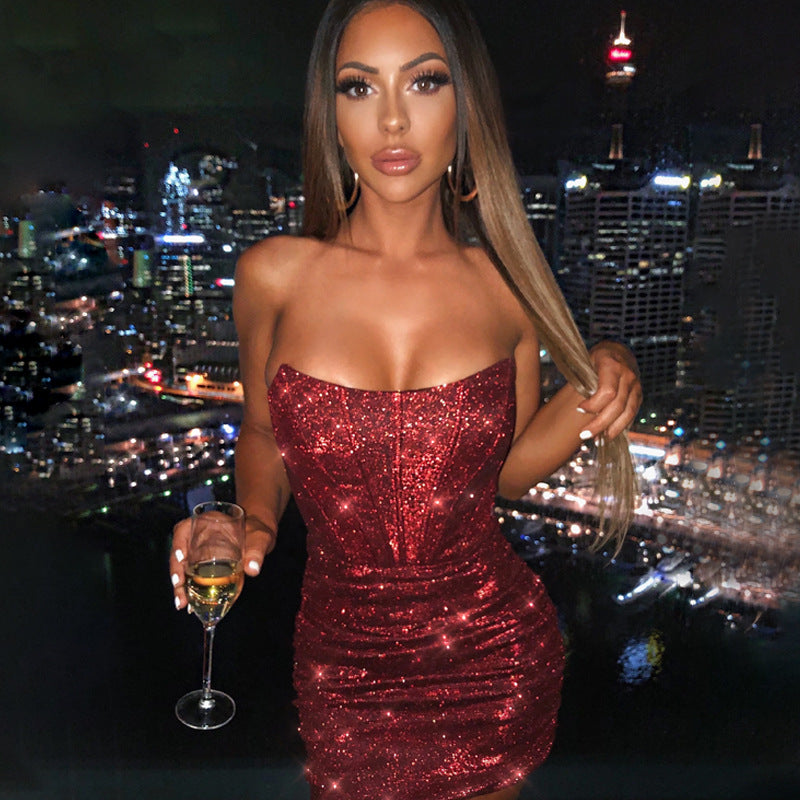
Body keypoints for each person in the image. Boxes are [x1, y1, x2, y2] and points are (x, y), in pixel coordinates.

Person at [171, 1, 641, 798]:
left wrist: (607, 370)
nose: (392, 118)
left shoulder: (508, 289)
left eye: (424, 82)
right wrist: (251, 522)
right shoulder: (273, 276)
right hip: (344, 664)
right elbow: (262, 434)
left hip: (494, 657)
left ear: (467, 106)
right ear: (332, 117)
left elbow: (507, 475)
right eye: (359, 88)